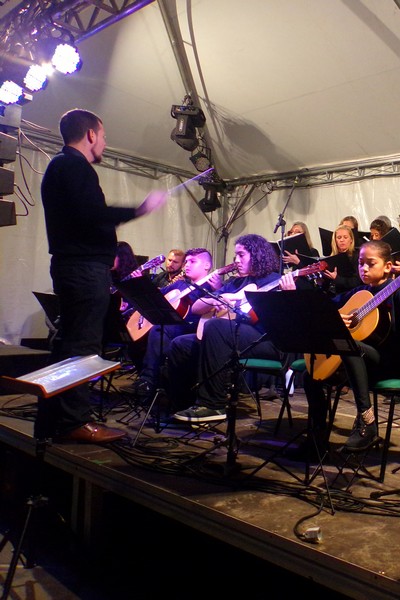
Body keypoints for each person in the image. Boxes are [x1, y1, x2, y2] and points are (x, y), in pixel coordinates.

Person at [39, 108, 167, 443]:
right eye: (104, 137)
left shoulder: (61, 166)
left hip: (77, 266)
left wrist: (106, 250)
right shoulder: (73, 165)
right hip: (83, 269)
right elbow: (92, 214)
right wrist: (139, 209)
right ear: (91, 134)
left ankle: (53, 418)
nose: (105, 144)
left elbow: (81, 219)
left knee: (69, 341)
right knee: (82, 344)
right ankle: (74, 422)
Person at [284, 241, 400, 455]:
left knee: (350, 347)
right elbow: (325, 308)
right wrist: (333, 317)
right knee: (311, 375)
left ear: (388, 267)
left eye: (370, 264)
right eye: (361, 263)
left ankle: (367, 421)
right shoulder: (360, 292)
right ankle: (317, 439)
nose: (363, 268)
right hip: (358, 362)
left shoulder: (398, 291)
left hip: (390, 363)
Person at [167, 234, 284, 421]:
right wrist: (218, 299)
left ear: (257, 255)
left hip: (264, 340)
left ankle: (213, 405)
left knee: (216, 326)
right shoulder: (235, 282)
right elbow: (196, 307)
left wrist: (287, 292)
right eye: (235, 255)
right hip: (230, 336)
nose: (236, 260)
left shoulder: (273, 280)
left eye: (241, 255)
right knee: (180, 344)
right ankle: (182, 404)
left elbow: (271, 317)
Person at [133, 247, 218, 400]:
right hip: (170, 326)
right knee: (135, 339)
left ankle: (148, 380)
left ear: (207, 266)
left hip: (193, 328)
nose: (187, 265)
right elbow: (155, 297)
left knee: (160, 330)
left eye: (193, 262)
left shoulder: (211, 288)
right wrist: (140, 283)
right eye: (186, 262)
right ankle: (153, 381)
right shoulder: (180, 285)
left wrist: (218, 289)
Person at [324, 225, 361, 293]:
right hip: (335, 293)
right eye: (339, 237)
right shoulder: (332, 258)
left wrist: (337, 278)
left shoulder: (357, 256)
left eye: (345, 237)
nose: (342, 240)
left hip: (352, 293)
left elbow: (357, 281)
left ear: (351, 240)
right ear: (335, 240)